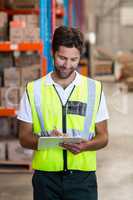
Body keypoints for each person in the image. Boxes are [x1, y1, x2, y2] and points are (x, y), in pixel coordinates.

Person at [18, 25, 109, 200]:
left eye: (74, 59)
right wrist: (48, 141)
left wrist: (86, 146)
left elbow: (103, 136)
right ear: (52, 52)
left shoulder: (94, 89)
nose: (67, 65)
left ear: (80, 56)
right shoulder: (33, 90)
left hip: (83, 179)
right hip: (46, 179)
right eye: (62, 58)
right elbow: (24, 137)